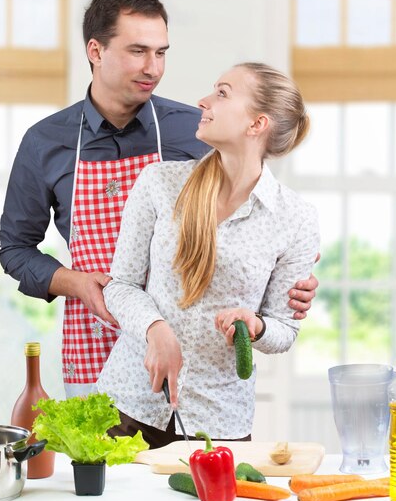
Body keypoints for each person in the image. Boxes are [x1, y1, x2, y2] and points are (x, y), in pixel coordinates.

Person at [0, 0, 319, 398]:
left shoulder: (195, 129)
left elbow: (256, 216)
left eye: (161, 52)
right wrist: (75, 283)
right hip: (95, 334)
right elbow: (14, 248)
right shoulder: (46, 142)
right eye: (137, 51)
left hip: (189, 353)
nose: (153, 67)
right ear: (95, 51)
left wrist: (290, 277)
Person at [97, 62, 320, 448]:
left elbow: (285, 329)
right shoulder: (159, 182)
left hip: (218, 423)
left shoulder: (296, 218)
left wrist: (257, 327)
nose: (203, 101)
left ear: (256, 124)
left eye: (222, 93)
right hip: (128, 405)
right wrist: (156, 328)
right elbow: (121, 286)